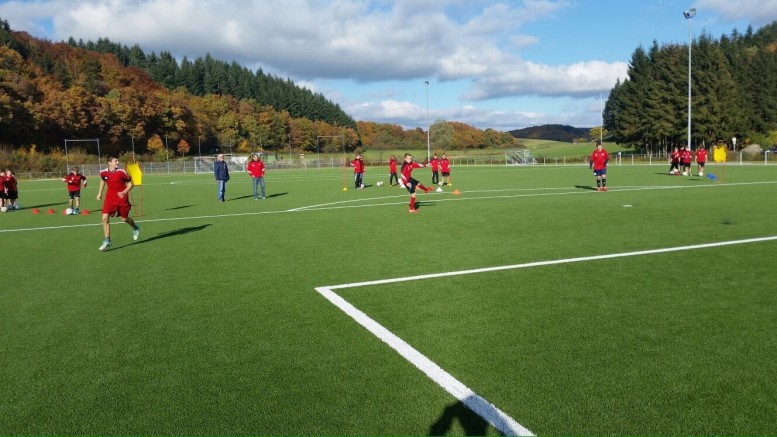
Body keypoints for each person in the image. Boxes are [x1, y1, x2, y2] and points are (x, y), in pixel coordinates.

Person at [96, 156, 140, 251]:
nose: (117, 162)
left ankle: (135, 227)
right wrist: (99, 193)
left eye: (117, 161)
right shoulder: (103, 172)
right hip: (110, 198)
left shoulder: (121, 172)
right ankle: (107, 240)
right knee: (104, 218)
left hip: (122, 198)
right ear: (109, 162)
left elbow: (131, 184)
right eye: (115, 161)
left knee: (124, 219)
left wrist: (124, 192)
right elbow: (103, 180)